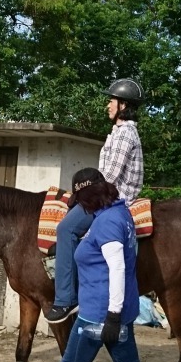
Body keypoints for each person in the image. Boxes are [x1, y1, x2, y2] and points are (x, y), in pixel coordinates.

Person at [18, 169, 172, 362]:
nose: (81, 208)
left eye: (81, 200)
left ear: (89, 197)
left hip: (98, 316)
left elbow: (115, 268)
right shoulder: (121, 214)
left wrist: (111, 316)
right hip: (115, 312)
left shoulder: (107, 223)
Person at [46, 78, 144, 325]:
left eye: (111, 101)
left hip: (110, 199)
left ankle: (65, 298)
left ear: (123, 105)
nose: (107, 106)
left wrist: (81, 194)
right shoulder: (119, 132)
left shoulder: (124, 134)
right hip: (105, 194)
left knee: (65, 228)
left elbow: (109, 177)